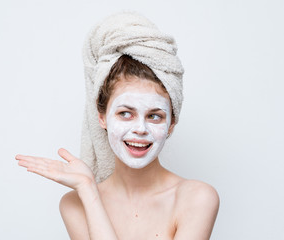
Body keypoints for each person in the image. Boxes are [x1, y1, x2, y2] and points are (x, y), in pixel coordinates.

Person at [16, 12, 219, 240]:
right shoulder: (75, 204)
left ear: (172, 123)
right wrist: (88, 190)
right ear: (101, 116)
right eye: (125, 113)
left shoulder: (197, 198)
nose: (140, 129)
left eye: (155, 116)